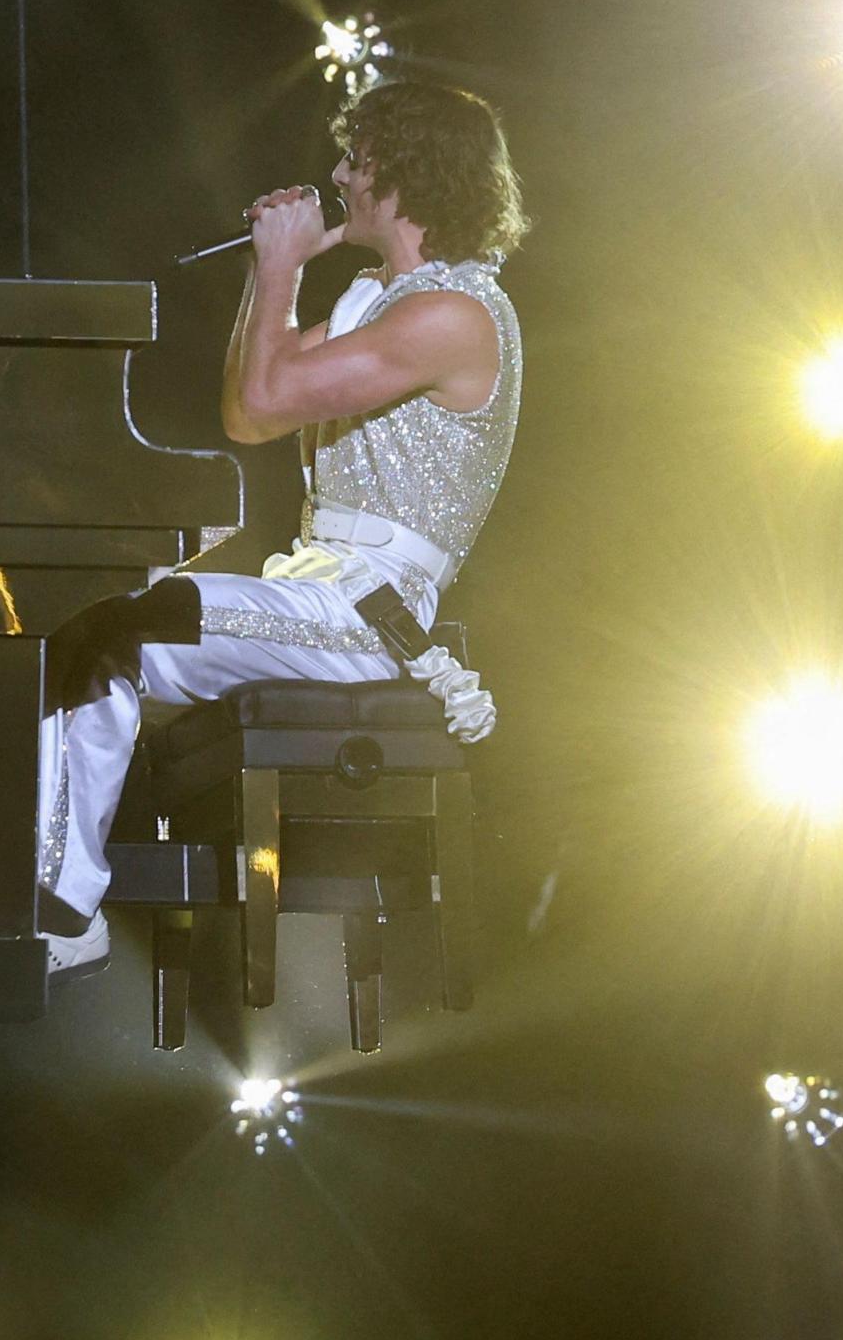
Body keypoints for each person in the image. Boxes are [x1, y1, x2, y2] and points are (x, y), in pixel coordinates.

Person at [34, 79, 528, 974]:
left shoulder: (453, 313)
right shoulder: (376, 299)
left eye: (359, 158)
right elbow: (248, 413)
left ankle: (62, 915)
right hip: (312, 592)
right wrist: (276, 274)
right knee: (88, 621)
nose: (339, 175)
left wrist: (281, 268)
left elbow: (262, 401)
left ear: (408, 172)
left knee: (115, 626)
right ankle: (46, 892)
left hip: (368, 615)